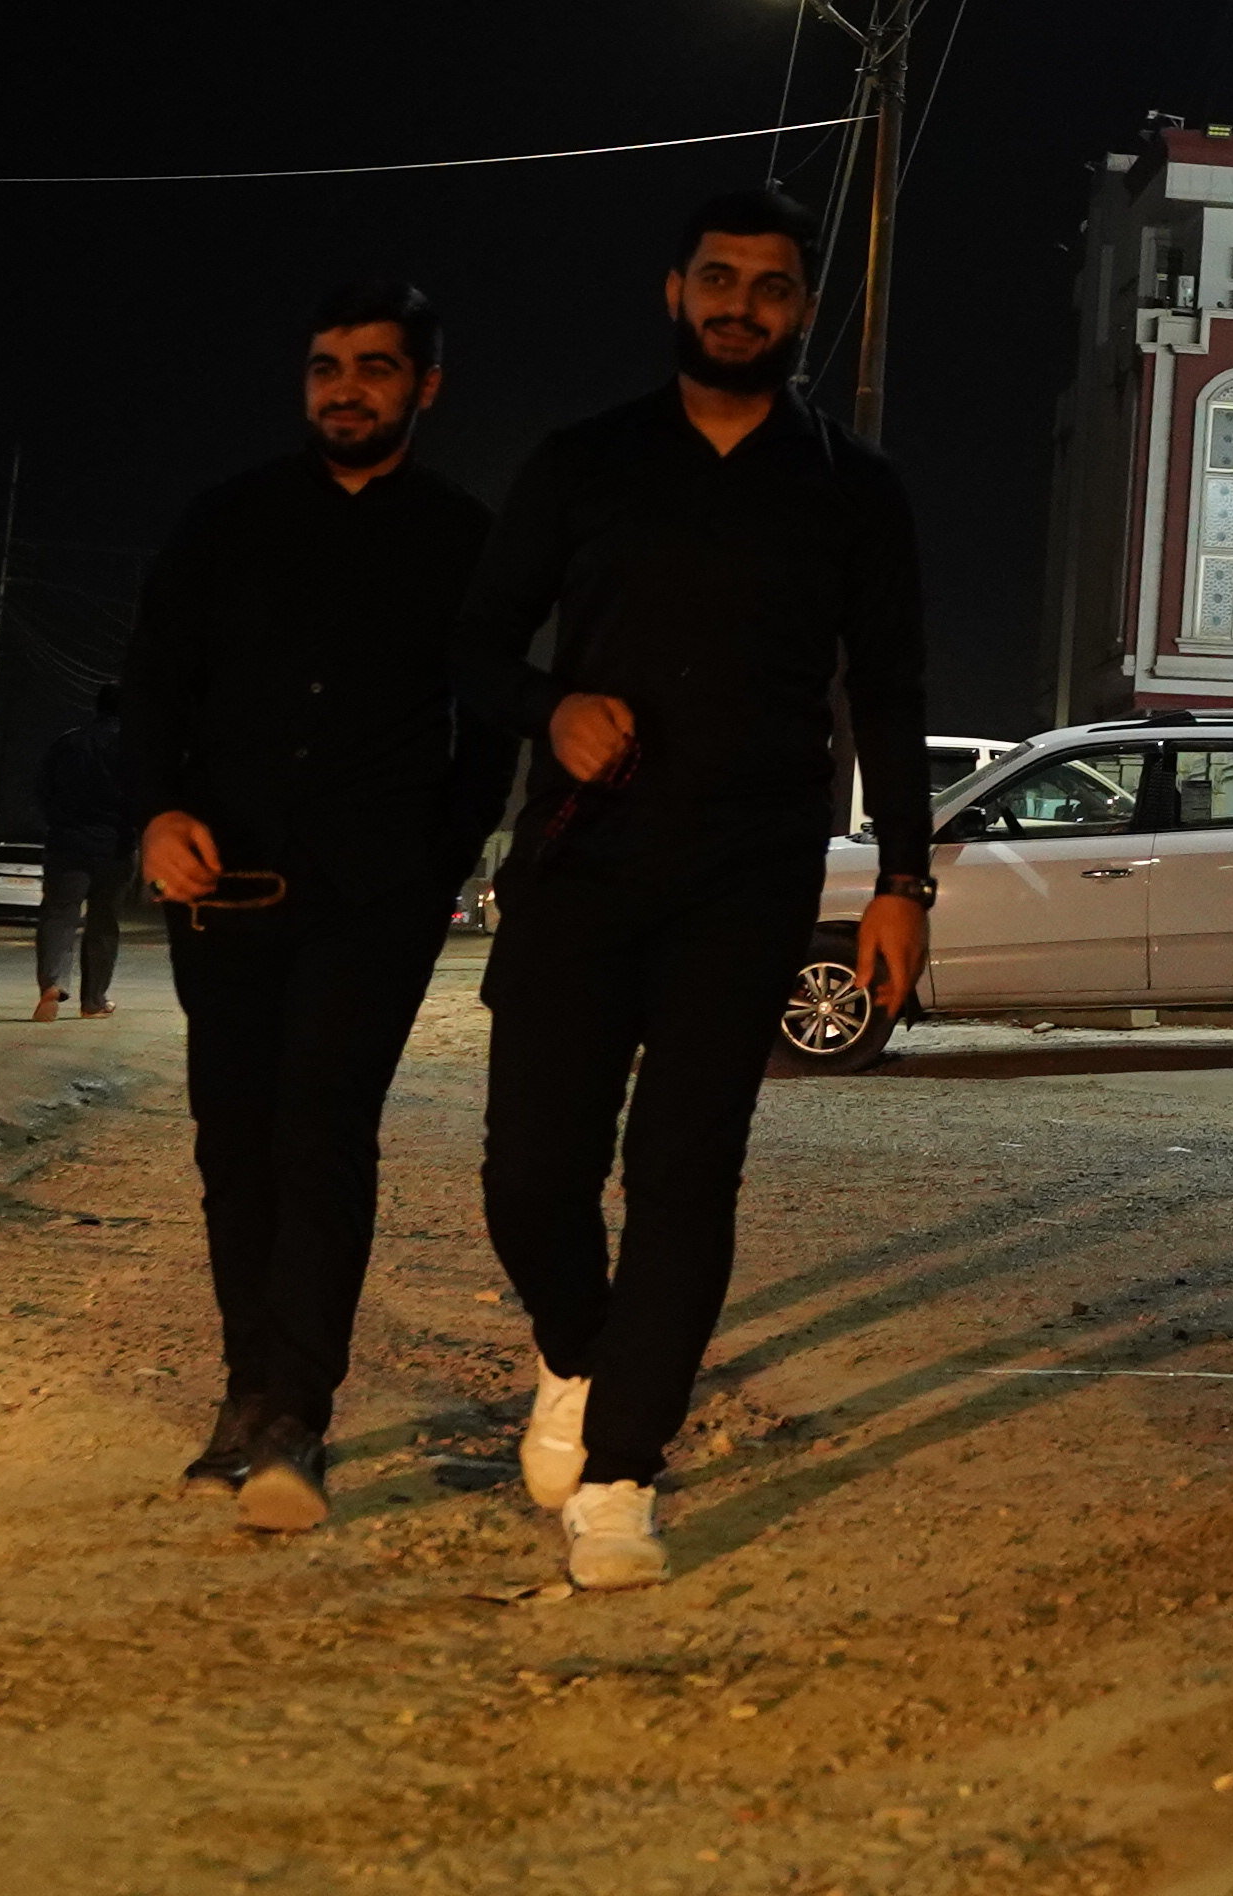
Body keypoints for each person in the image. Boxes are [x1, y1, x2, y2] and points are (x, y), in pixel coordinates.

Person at [453, 190, 930, 1594]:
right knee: (529, 1173)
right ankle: (576, 1349)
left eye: (770, 287)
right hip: (581, 864)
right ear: (675, 293)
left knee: (683, 1174)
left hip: (747, 874)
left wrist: (904, 878)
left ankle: (621, 1475)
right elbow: (475, 644)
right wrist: (552, 707)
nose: (742, 306)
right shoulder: (584, 462)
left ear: (801, 310)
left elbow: (892, 697)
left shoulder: (854, 488)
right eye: (717, 280)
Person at [122, 281, 505, 1530]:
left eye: (376, 367)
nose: (347, 387)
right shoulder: (225, 520)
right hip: (224, 887)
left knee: (319, 1131)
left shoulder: (462, 536)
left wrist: (439, 860)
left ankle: (295, 1408)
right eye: (327, 366)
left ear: (424, 387)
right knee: (232, 1141)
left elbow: (489, 721)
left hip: (373, 902)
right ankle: (245, 1390)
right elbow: (155, 685)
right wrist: (156, 812)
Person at [32, 688, 133, 1021]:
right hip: (115, 847)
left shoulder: (68, 743)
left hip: (67, 844)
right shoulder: (135, 745)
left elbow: (43, 788)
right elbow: (146, 793)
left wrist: (58, 824)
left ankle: (52, 983)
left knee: (59, 915)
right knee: (104, 923)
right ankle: (93, 1001)